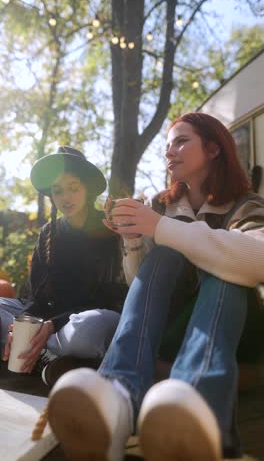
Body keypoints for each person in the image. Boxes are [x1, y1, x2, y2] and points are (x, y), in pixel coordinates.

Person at [46, 113, 264, 461]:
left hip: (235, 330)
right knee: (164, 257)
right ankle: (118, 396)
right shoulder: (163, 205)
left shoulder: (247, 204)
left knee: (227, 268)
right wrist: (134, 241)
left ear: (213, 148)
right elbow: (140, 284)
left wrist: (162, 227)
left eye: (181, 141)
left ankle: (197, 404)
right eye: (167, 146)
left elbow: (258, 261)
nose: (169, 152)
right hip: (173, 330)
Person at [1, 146, 127, 380]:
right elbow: (36, 298)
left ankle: (41, 354)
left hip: (84, 321)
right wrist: (21, 326)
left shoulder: (108, 228)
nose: (66, 198)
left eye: (73, 188)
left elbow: (109, 298)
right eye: (58, 191)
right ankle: (53, 360)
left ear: (87, 189)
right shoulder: (49, 233)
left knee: (89, 330)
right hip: (50, 322)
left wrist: (52, 324)